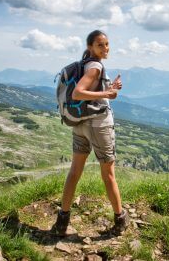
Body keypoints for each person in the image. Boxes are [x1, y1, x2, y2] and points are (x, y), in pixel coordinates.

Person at [51, 30, 127, 236]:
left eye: (107, 44)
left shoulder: (86, 65)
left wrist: (108, 87)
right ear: (90, 47)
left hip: (80, 123)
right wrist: (109, 93)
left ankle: (62, 221)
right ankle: (120, 220)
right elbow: (78, 93)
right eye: (100, 45)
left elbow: (88, 93)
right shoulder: (95, 66)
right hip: (99, 125)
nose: (106, 48)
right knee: (109, 174)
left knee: (74, 172)